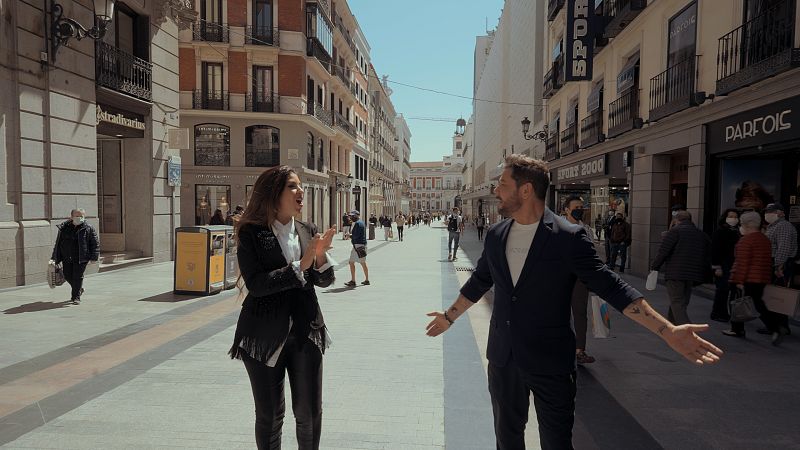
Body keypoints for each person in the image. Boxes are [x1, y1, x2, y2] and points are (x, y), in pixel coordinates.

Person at [425, 155, 722, 450]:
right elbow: (479, 281)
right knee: (507, 440)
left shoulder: (568, 237)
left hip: (551, 362)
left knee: (557, 443)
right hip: (504, 360)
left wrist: (667, 330)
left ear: (525, 190)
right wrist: (449, 317)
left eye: (502, 184)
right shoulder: (496, 235)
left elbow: (612, 287)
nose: (496, 190)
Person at [228, 166, 336, 450]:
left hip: (306, 332)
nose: (301, 191)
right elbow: (256, 284)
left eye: (301, 186)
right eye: (293, 186)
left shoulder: (308, 230)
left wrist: (320, 256)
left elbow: (324, 281)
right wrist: (300, 265)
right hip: (263, 335)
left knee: (310, 413)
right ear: (273, 193)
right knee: (270, 416)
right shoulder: (252, 233)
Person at [723, 212, 785, 344]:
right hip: (761, 278)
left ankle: (737, 329)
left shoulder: (746, 240)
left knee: (737, 303)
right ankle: (774, 327)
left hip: (747, 278)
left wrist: (738, 281)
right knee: (758, 303)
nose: (740, 226)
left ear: (747, 224)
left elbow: (742, 263)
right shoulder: (764, 239)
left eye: (741, 223)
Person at [651, 211, 712, 325]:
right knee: (681, 301)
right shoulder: (701, 234)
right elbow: (708, 254)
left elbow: (663, 251)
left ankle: (685, 327)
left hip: (675, 272)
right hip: (692, 274)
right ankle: (672, 324)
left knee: (677, 301)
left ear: (676, 220)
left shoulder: (675, 232)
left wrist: (655, 267)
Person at [563, 196, 596, 365]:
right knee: (557, 314)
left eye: (581, 207)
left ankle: (580, 351)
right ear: (566, 210)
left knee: (580, 314)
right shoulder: (556, 229)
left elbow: (592, 255)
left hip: (580, 279)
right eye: (576, 207)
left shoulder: (587, 230)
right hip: (560, 278)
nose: (579, 210)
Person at [51, 208, 100, 304]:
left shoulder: (88, 228)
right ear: (72, 217)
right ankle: (79, 289)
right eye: (77, 216)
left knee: (77, 276)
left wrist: (94, 257)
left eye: (81, 216)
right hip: (67, 257)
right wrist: (55, 258)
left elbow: (95, 243)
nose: (79, 218)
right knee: (67, 275)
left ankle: (76, 297)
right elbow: (58, 244)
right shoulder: (64, 228)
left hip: (81, 257)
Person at [763, 202, 796, 336]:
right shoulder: (773, 226)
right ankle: (777, 325)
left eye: (771, 211)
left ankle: (780, 326)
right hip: (775, 263)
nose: (767, 214)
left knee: (779, 296)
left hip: (780, 265)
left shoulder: (783, 226)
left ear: (780, 213)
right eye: (767, 211)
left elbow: (783, 247)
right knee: (774, 295)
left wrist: (778, 266)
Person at [710, 209, 740, 322]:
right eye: (731, 216)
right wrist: (717, 266)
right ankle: (718, 313)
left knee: (730, 290)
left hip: (733, 265)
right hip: (723, 264)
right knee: (722, 289)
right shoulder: (720, 231)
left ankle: (726, 312)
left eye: (735, 217)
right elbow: (715, 250)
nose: (733, 219)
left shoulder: (737, 231)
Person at [346, 210, 370, 287]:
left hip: (358, 245)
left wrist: (349, 235)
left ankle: (354, 280)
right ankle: (366, 279)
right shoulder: (361, 223)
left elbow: (356, 235)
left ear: (356, 216)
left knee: (353, 262)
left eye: (352, 216)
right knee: (361, 262)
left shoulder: (358, 224)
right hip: (361, 245)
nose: (351, 217)